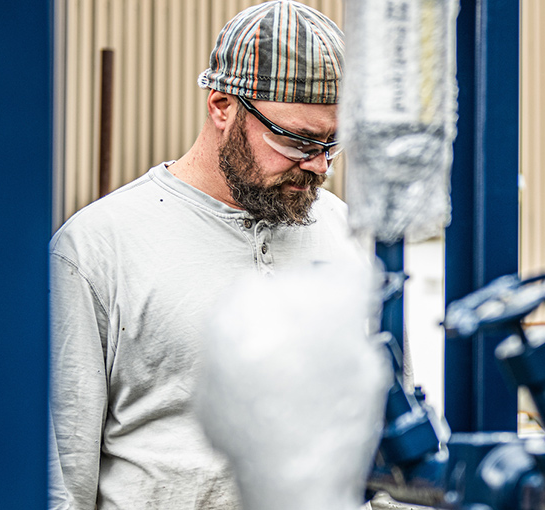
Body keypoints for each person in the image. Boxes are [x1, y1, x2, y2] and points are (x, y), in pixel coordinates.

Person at [49, 2, 358, 508]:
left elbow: (392, 439)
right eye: (297, 140)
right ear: (222, 106)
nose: (319, 166)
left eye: (332, 142)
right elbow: (61, 477)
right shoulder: (97, 249)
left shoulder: (349, 236)